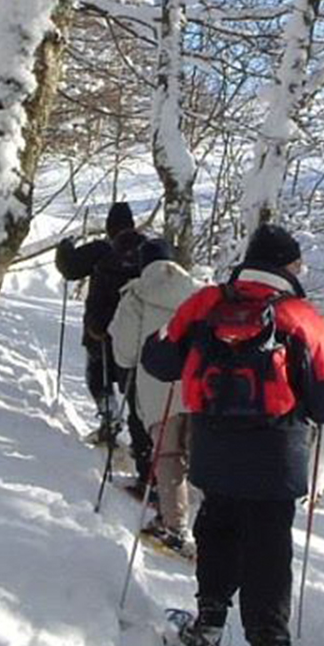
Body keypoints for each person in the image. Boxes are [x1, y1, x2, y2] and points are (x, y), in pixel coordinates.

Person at [142, 224, 324, 646]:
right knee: (269, 547)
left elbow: (157, 360)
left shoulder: (207, 303)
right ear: (287, 266)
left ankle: (208, 628)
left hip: (213, 442)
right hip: (277, 448)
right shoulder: (301, 315)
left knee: (218, 527)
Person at [108, 238, 202, 555]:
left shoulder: (136, 294)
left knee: (168, 456)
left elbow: (124, 352)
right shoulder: (201, 292)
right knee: (202, 456)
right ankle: (218, 532)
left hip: (157, 385)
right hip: (200, 384)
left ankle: (173, 526)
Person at [55, 202, 153, 488]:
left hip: (100, 329)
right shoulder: (148, 250)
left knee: (97, 377)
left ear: (111, 227)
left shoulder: (101, 250)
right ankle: (141, 444)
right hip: (136, 333)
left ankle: (109, 419)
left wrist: (65, 246)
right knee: (134, 390)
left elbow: (69, 268)